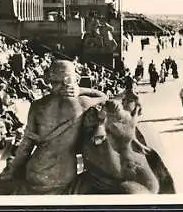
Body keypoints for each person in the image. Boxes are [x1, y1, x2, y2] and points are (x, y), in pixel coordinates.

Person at [7, 60, 108, 194]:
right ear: (71, 79)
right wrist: (80, 90)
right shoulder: (81, 104)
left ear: (50, 80)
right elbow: (104, 97)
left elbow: (26, 146)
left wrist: (13, 170)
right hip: (63, 175)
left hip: (36, 172)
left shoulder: (37, 105)